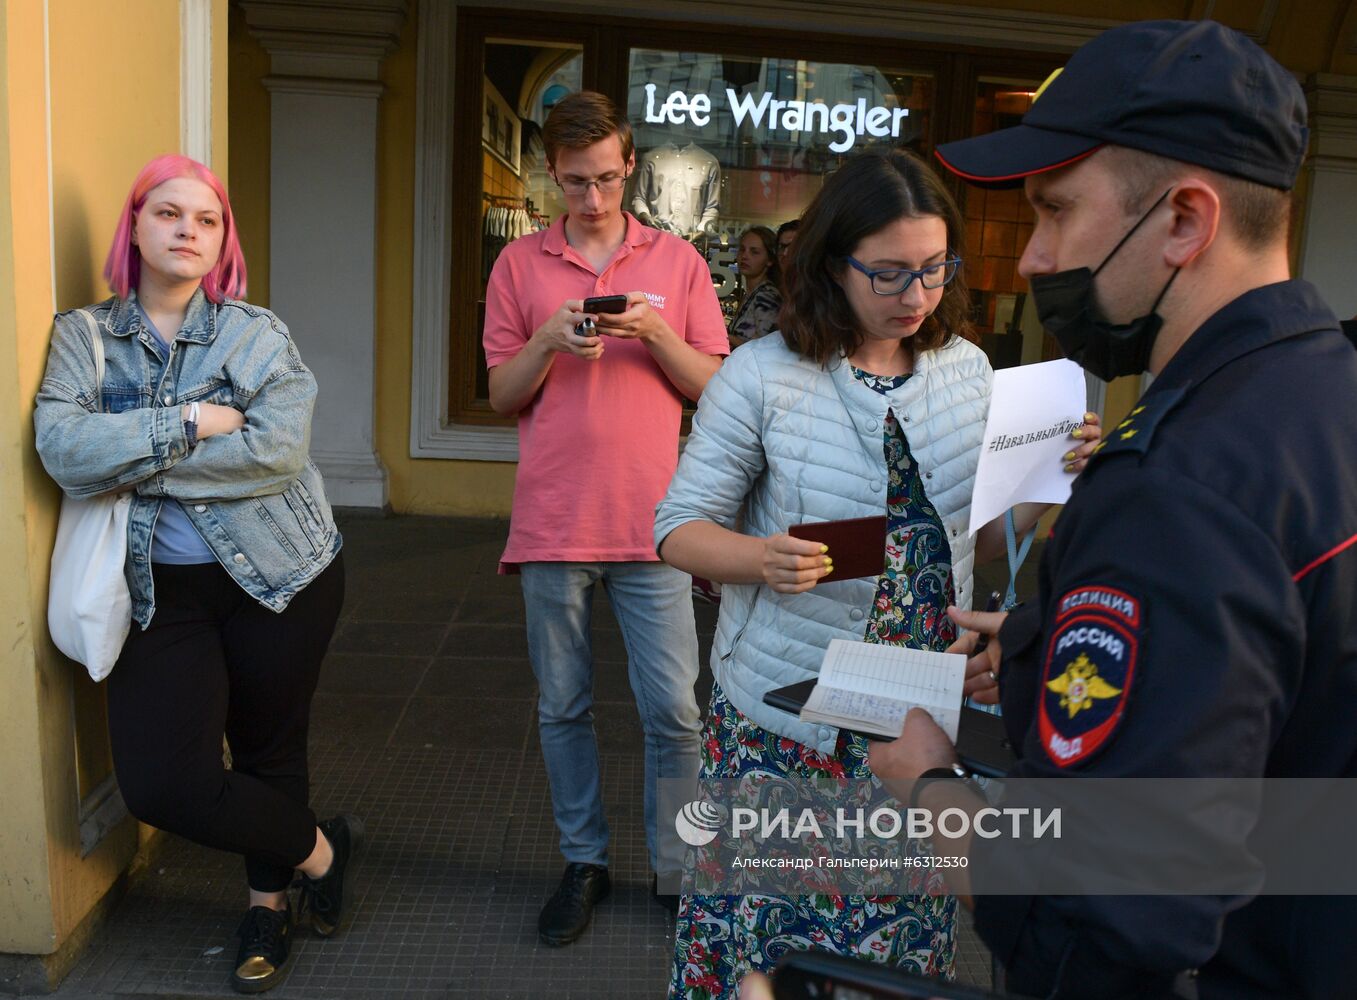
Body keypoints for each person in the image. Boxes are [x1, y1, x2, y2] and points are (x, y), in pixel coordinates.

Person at [869, 19, 1357, 999]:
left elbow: (1095, 921)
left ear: (1184, 221)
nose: (1032, 258)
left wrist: (928, 784)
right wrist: (1050, 642)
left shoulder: (1176, 490)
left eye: (1055, 211)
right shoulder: (1325, 392)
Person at [653, 148, 1099, 998]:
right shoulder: (760, 375)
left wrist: (1047, 489)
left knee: (890, 954)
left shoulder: (966, 370)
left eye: (934, 270)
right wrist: (760, 559)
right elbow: (675, 528)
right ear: (830, 263)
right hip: (787, 720)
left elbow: (978, 551)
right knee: (768, 955)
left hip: (915, 722)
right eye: (888, 274)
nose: (916, 297)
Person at [34, 155, 360, 995]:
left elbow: (275, 452)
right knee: (163, 782)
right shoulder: (84, 336)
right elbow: (62, 450)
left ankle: (266, 903)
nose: (188, 231)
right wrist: (186, 420)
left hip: (284, 574)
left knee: (267, 745)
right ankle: (321, 851)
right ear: (134, 227)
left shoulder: (256, 332)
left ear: (223, 242)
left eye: (207, 220)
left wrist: (131, 458)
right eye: (169, 213)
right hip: (158, 586)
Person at [482, 91, 729, 946]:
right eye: (576, 183)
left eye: (610, 180)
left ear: (630, 167)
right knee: (562, 706)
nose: (593, 200)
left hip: (658, 522)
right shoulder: (518, 268)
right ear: (551, 175)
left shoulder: (678, 262)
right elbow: (500, 396)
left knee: (675, 712)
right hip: (553, 521)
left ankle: (677, 867)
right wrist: (548, 340)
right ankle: (583, 860)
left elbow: (715, 392)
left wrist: (654, 336)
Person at [728, 225, 782, 348]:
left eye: (754, 252)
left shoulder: (767, 295)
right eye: (742, 249)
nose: (745, 256)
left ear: (769, 260)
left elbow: (765, 348)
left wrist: (726, 337)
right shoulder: (752, 292)